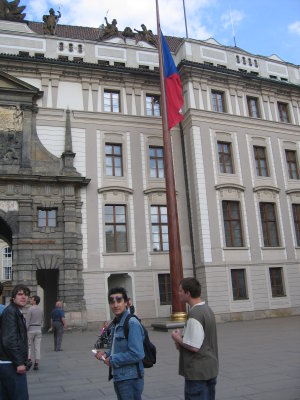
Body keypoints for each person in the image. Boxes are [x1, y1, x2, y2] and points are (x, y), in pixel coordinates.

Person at [171, 277, 219, 400]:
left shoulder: (195, 314)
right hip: (210, 369)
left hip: (197, 374)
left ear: (188, 293)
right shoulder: (207, 309)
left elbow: (194, 346)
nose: (178, 293)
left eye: (181, 290)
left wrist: (177, 338)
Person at [95, 287, 144, 400]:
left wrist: (112, 360)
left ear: (126, 302)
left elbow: (137, 354)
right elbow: (118, 349)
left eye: (119, 300)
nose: (115, 305)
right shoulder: (116, 323)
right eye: (112, 302)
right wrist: (106, 354)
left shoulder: (132, 323)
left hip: (130, 378)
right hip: (120, 376)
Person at [0, 284, 31, 400]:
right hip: (10, 364)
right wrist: (19, 362)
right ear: (13, 298)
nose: (23, 297)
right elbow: (9, 339)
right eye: (20, 294)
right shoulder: (11, 312)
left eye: (26, 295)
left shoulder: (15, 311)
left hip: (8, 362)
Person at [26, 295, 43, 371]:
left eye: (31, 299)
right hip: (38, 329)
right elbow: (42, 319)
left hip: (31, 329)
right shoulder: (41, 309)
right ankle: (36, 363)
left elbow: (27, 321)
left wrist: (25, 329)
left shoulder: (30, 309)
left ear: (35, 301)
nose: (30, 300)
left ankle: (29, 360)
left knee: (28, 345)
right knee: (37, 347)